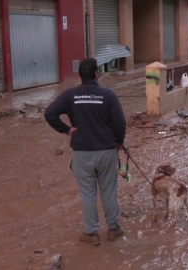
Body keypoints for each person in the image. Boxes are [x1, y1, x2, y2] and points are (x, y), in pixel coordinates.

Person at [44, 57, 127, 246]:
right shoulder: (109, 95)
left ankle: (91, 234)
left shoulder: (70, 95)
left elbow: (49, 113)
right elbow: (120, 123)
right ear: (97, 75)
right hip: (106, 151)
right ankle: (113, 229)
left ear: (80, 75)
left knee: (88, 194)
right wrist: (119, 141)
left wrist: (66, 129)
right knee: (109, 191)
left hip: (82, 154)